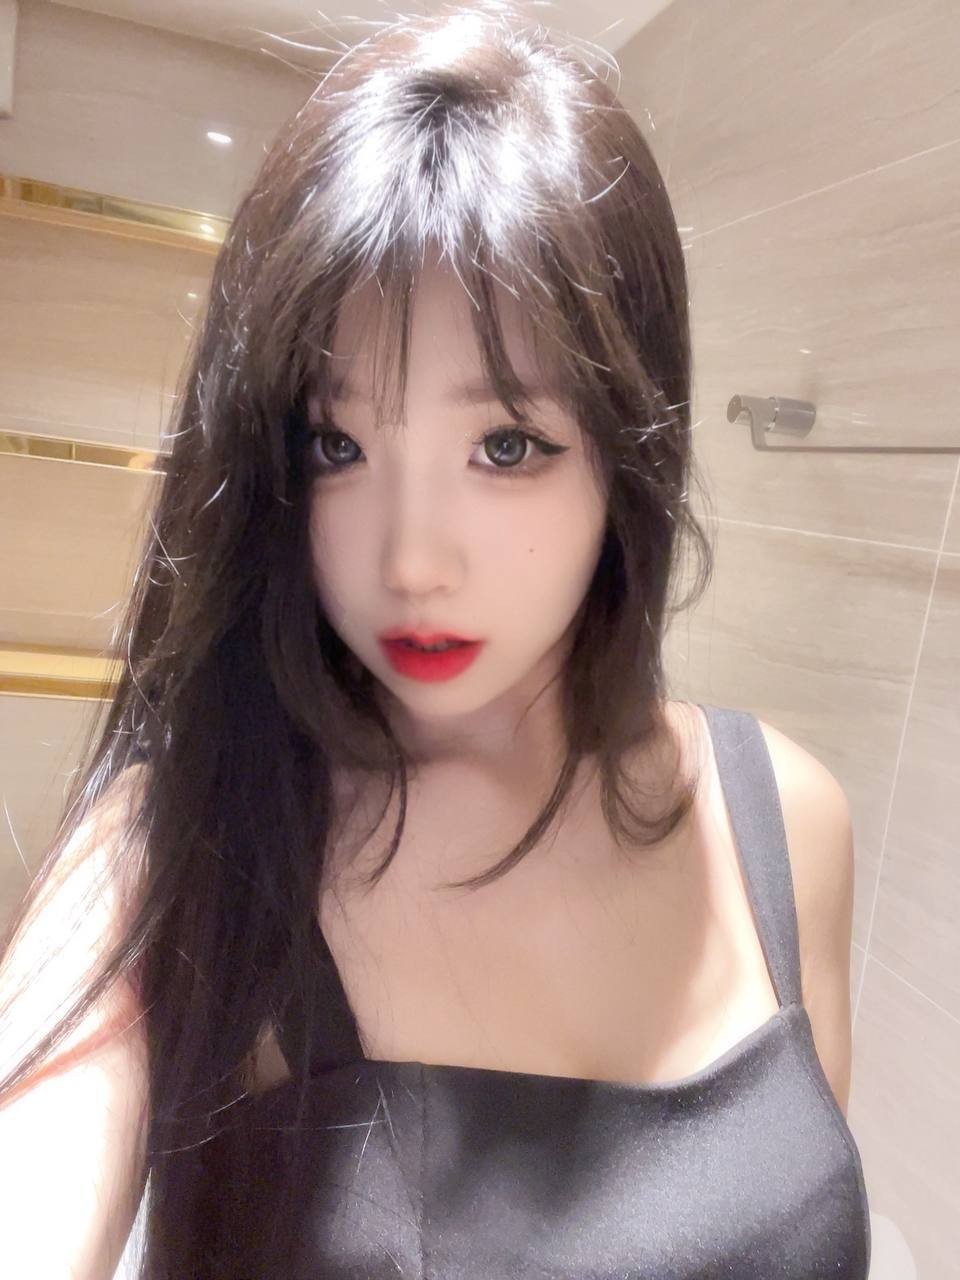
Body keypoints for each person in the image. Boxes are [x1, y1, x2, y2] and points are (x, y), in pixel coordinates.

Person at [0, 3, 871, 1276]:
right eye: (337, 444)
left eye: (505, 445)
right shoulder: (176, 846)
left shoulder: (788, 824)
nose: (409, 561)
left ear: (629, 453)